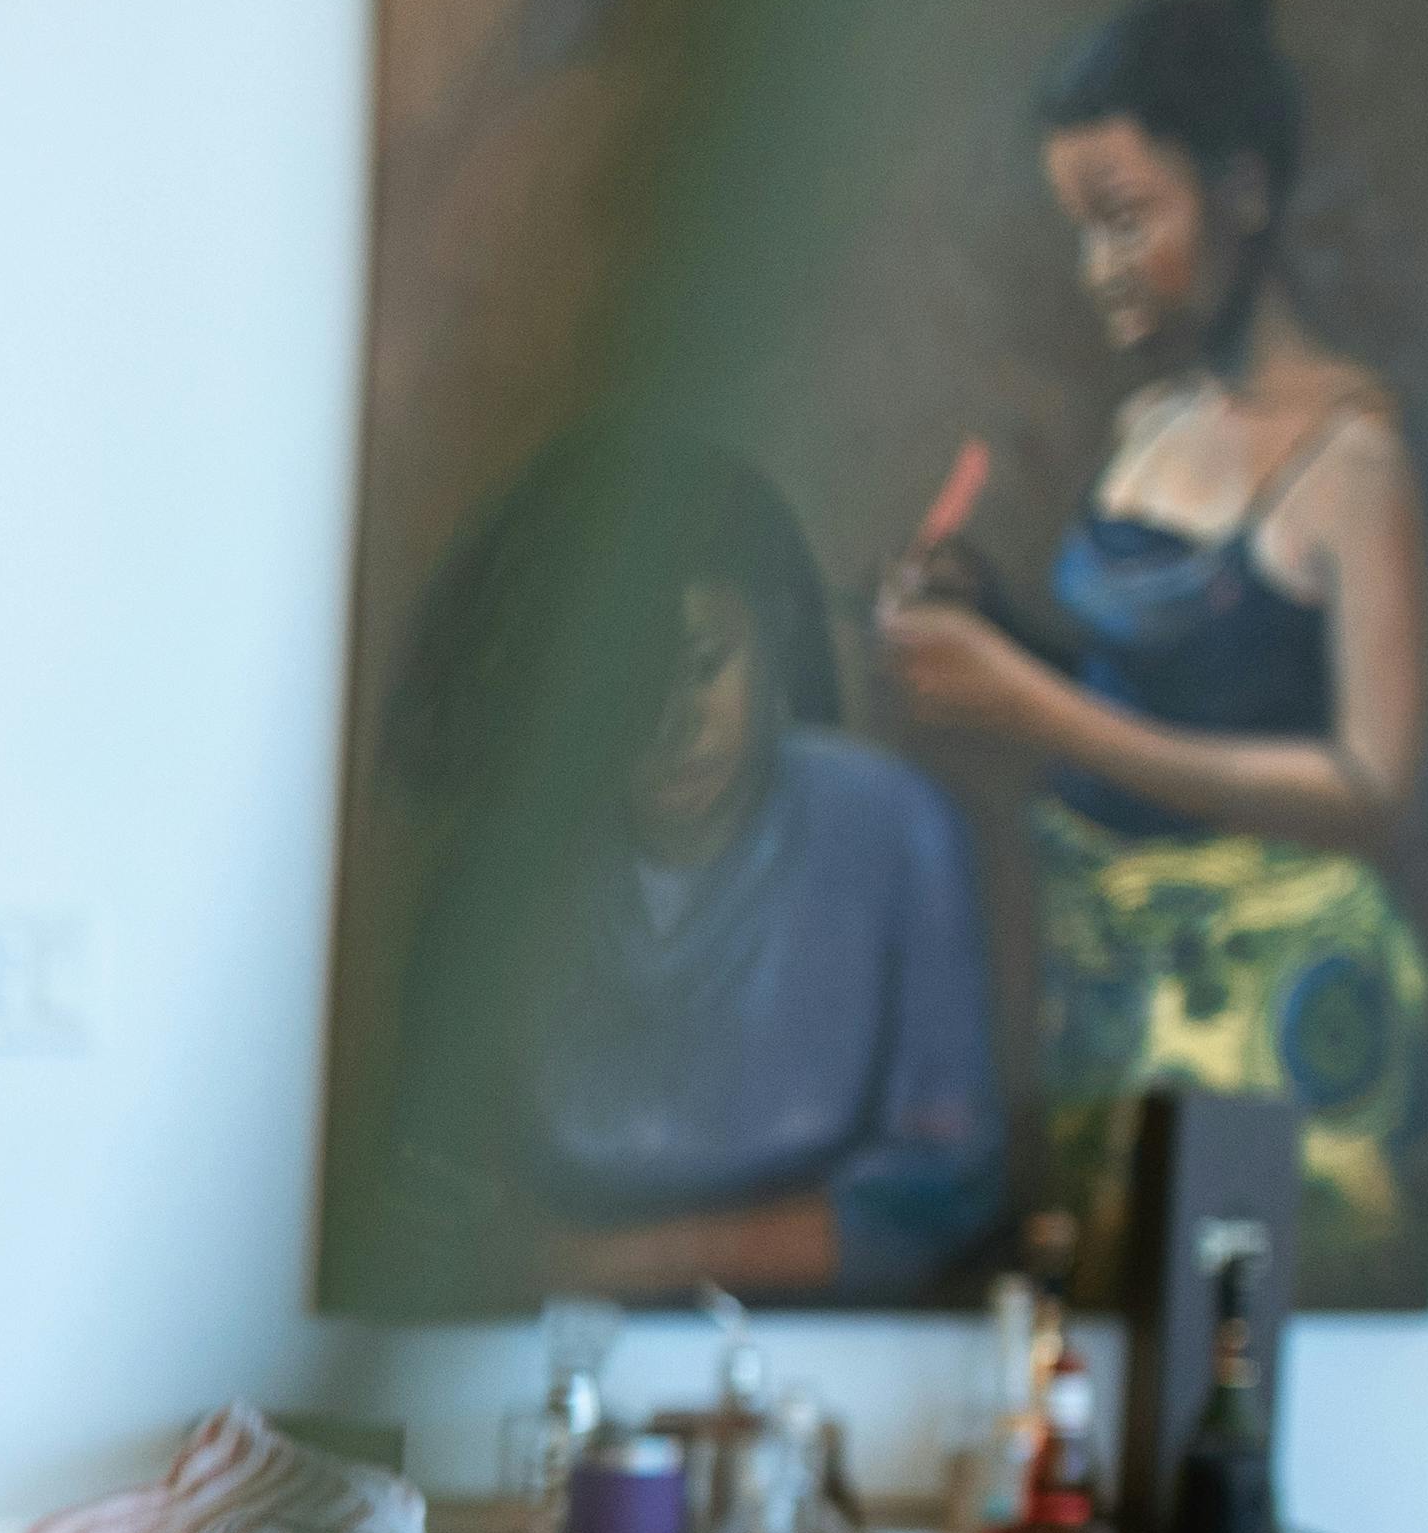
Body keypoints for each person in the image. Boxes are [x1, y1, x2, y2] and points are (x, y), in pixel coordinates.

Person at [872, 0, 1428, 1295]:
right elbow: (1153, 687)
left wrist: (1029, 701)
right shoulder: (1151, 428)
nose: (1099, 270)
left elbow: (1369, 785)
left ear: (1243, 190)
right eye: (1081, 231)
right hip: (1107, 994)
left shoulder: (1351, 459)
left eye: (1128, 221)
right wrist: (990, 623)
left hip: (1274, 1020)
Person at [366, 425, 1000, 1304]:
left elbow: (938, 1200)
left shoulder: (893, 832)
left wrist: (591, 1265)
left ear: (771, 644)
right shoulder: (501, 874)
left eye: (704, 667)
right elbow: (441, 1206)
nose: (671, 725)